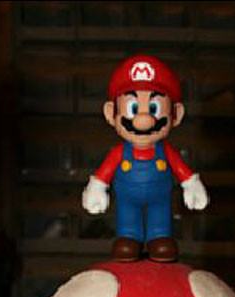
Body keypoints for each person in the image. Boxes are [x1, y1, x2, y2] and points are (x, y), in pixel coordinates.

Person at [82, 54, 209, 262]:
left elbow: (181, 169)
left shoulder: (166, 151)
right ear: (110, 113)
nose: (144, 120)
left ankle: (159, 237)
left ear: (176, 114)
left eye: (153, 109)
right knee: (127, 215)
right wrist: (97, 186)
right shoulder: (119, 153)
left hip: (160, 195)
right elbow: (105, 172)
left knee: (160, 215)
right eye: (133, 109)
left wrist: (190, 184)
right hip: (127, 196)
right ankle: (129, 237)